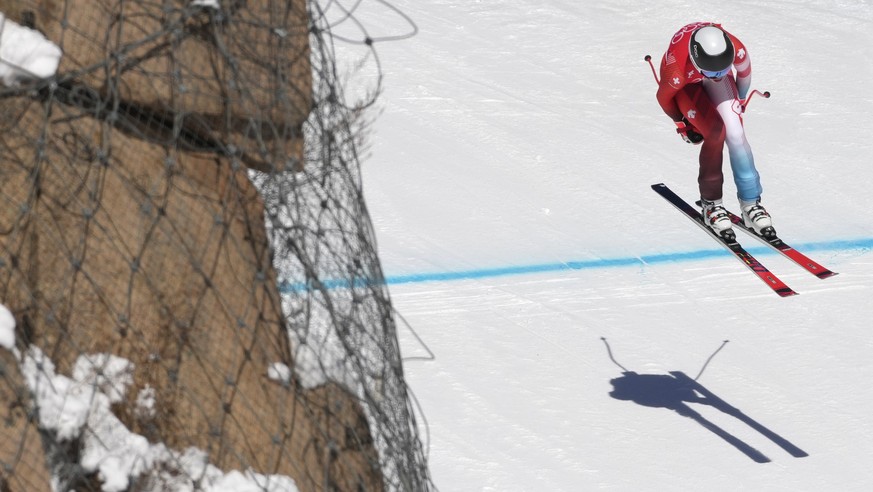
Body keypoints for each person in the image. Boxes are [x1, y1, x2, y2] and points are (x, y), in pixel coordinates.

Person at [656, 22, 774, 239]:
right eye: (713, 71)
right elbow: (664, 98)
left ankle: (751, 203)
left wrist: (739, 97)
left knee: (736, 134)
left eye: (723, 68)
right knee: (715, 133)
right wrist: (681, 124)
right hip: (687, 83)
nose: (718, 74)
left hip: (699, 72)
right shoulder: (677, 70)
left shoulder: (736, 48)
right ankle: (711, 204)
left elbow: (743, 72)